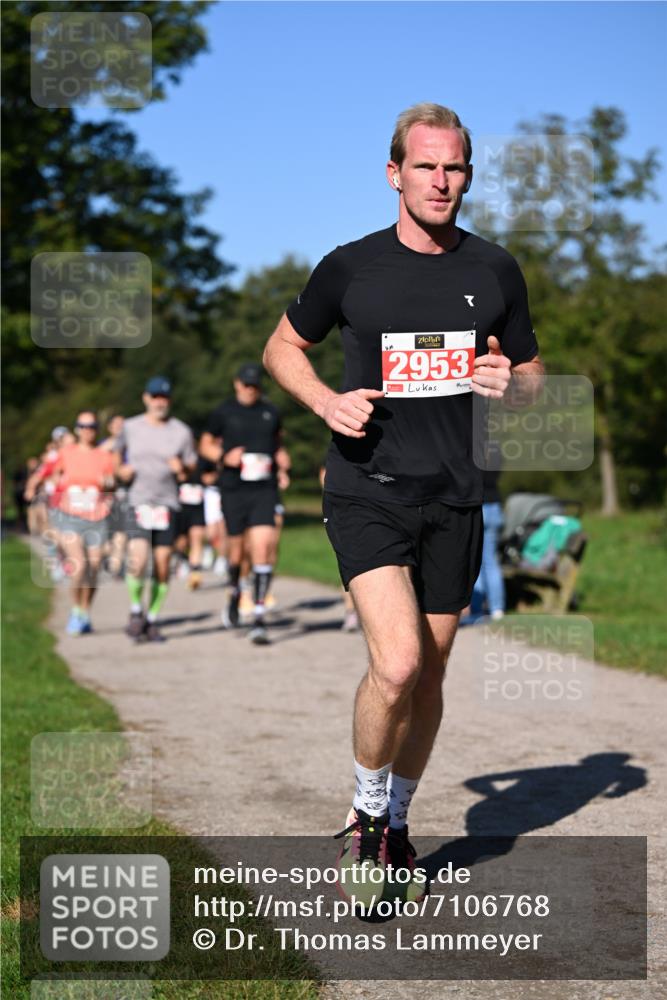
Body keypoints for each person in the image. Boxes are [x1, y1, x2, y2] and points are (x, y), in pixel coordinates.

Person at [263, 102, 545, 905]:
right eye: (425, 166)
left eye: (454, 167)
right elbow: (281, 348)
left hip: (456, 495)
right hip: (366, 488)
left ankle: (397, 822)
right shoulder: (350, 267)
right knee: (397, 665)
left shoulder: (493, 270)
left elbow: (528, 372)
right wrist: (324, 403)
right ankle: (362, 817)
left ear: (467, 176)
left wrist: (510, 386)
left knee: (430, 676)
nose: (441, 180)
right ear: (395, 174)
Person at [200, 363, 291, 645]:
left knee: (263, 547)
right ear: (237, 384)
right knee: (236, 553)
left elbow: (277, 444)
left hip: (264, 488)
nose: (251, 389)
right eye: (246, 384)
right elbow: (205, 444)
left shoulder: (270, 412)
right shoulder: (224, 412)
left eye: (255, 385)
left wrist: (283, 463)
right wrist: (223, 456)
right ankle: (235, 590)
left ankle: (259, 617)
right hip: (234, 489)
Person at [116, 376, 197, 642]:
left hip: (167, 504)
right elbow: (116, 459)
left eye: (164, 397)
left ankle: (151, 619)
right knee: (138, 559)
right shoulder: (130, 427)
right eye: (155, 397)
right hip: (139, 500)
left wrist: (182, 469)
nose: (159, 402)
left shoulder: (181, 432)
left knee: (162, 565)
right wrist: (121, 471)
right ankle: (136, 611)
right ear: (146, 398)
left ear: (169, 401)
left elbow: (191, 466)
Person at [50, 411, 116, 634]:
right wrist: (57, 481)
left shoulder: (104, 455)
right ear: (77, 428)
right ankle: (76, 610)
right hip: (71, 516)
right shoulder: (65, 453)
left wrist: (108, 484)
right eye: (83, 426)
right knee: (79, 566)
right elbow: (53, 476)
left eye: (92, 426)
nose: (88, 430)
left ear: (97, 429)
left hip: (97, 517)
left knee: (94, 569)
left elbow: (111, 484)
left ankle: (85, 610)